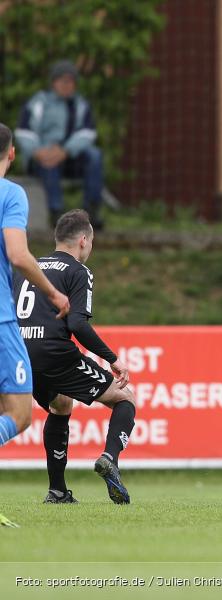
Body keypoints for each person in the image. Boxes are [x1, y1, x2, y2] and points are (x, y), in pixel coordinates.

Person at [14, 209, 135, 505]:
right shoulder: (78, 271)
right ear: (83, 240)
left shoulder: (27, 267)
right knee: (125, 398)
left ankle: (57, 491)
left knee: (60, 404)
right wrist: (112, 358)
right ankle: (109, 459)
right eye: (91, 242)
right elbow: (77, 324)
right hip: (54, 352)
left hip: (19, 352)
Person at [0, 123, 70, 527]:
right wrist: (53, 293)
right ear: (12, 154)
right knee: (20, 413)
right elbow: (18, 254)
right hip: (1, 319)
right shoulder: (11, 194)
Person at [14, 60, 105, 228]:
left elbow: (87, 133)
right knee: (49, 163)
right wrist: (38, 151)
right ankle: (57, 214)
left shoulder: (81, 105)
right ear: (53, 82)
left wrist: (65, 150)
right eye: (63, 80)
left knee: (94, 156)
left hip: (70, 157)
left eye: (71, 81)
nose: (67, 85)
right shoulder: (38, 102)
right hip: (42, 157)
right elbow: (24, 131)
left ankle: (91, 211)